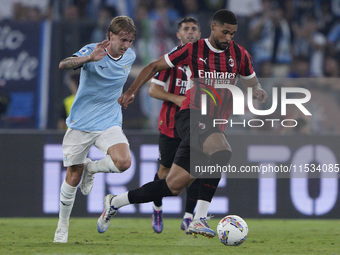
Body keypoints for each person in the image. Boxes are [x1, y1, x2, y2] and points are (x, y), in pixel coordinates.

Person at [97, 9, 267, 238]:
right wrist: (131, 91)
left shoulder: (240, 54)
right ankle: (199, 219)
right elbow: (154, 67)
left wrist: (257, 91)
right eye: (225, 32)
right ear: (213, 27)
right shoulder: (192, 50)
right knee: (222, 152)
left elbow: (252, 82)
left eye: (233, 34)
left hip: (214, 124)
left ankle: (115, 201)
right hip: (191, 116)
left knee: (172, 186)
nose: (229, 38)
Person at [53, 15, 136, 243]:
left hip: (109, 121)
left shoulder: (130, 56)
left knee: (123, 162)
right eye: (122, 39)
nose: (126, 45)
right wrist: (89, 58)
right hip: (81, 123)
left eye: (130, 40)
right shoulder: (92, 50)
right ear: (110, 36)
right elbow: (63, 64)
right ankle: (62, 225)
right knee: (72, 176)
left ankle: (92, 168)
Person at [148, 16, 202, 234]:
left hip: (196, 123)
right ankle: (157, 207)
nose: (190, 32)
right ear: (178, 34)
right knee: (164, 170)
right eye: (186, 29)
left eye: (194, 29)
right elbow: (153, 90)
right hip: (170, 124)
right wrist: (177, 98)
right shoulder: (170, 59)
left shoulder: (204, 60)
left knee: (196, 170)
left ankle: (189, 217)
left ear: (199, 34)